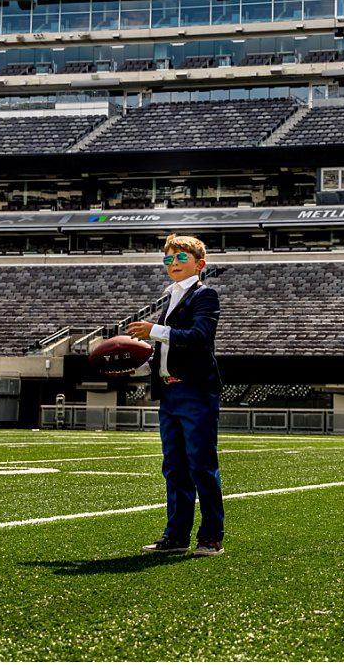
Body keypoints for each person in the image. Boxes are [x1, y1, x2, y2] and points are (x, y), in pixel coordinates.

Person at [123, 233, 224, 556]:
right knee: (175, 467)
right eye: (168, 259)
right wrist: (138, 364)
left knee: (201, 466)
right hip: (169, 392)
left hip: (195, 391)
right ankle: (177, 535)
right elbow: (167, 352)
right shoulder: (171, 298)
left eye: (181, 258)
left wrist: (154, 330)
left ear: (200, 264)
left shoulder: (205, 295)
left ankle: (211, 536)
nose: (174, 264)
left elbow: (199, 337)